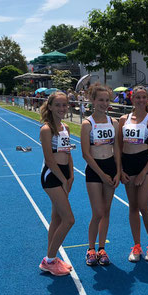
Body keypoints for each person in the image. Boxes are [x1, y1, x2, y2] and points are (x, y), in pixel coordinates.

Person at [118, 86, 148, 262]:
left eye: (144, 97)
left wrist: (144, 172)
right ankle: (137, 245)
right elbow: (119, 147)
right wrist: (120, 170)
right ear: (132, 99)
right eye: (138, 97)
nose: (141, 100)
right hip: (128, 164)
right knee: (133, 207)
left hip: (145, 163)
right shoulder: (123, 119)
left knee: (144, 205)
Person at [80, 83, 121, 266]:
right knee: (97, 212)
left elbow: (117, 149)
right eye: (100, 100)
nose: (104, 103)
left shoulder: (114, 123)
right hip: (95, 171)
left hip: (111, 168)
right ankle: (90, 249)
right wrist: (102, 174)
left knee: (106, 211)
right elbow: (85, 154)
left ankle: (102, 248)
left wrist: (118, 171)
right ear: (92, 100)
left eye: (107, 100)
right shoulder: (87, 124)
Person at [39, 92, 75, 276]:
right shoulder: (46, 129)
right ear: (50, 106)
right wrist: (63, 179)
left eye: (65, 105)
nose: (62, 108)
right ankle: (49, 260)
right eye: (58, 105)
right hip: (52, 176)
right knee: (69, 219)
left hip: (64, 175)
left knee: (57, 219)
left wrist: (71, 175)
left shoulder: (65, 128)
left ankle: (50, 257)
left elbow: (67, 154)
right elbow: (50, 159)